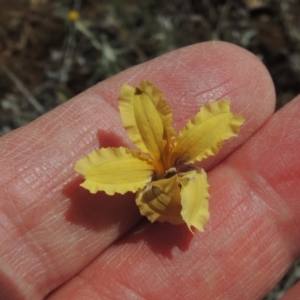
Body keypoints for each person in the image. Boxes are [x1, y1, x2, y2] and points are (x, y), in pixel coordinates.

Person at [0, 41, 299, 300]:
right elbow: (98, 173)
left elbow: (216, 128)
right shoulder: (155, 165)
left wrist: (183, 203)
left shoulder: (185, 172)